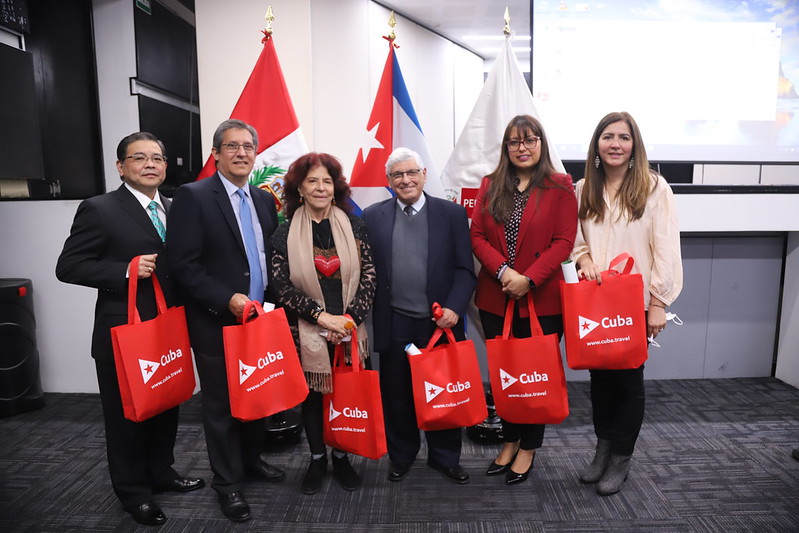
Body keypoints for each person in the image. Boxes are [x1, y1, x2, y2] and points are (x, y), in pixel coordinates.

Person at [56, 132, 204, 526]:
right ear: (120, 167)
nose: (151, 164)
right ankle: (133, 492)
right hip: (123, 334)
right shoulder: (99, 208)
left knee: (165, 405)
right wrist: (124, 270)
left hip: (169, 329)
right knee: (126, 419)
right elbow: (68, 266)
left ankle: (161, 471)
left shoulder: (177, 207)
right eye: (140, 158)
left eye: (158, 157)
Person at [167, 119, 284, 522]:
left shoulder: (264, 200)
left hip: (260, 320)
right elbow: (183, 264)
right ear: (216, 153)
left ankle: (251, 461)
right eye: (231, 146)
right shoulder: (194, 196)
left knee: (258, 397)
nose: (241, 153)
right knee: (220, 407)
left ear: (256, 153)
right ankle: (228, 485)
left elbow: (269, 261)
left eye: (248, 146)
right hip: (217, 320)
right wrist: (227, 299)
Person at [572, 111, 682, 495]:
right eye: (607, 136)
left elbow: (666, 250)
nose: (615, 144)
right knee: (599, 380)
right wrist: (584, 260)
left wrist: (658, 303)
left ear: (634, 145)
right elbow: (576, 242)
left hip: (635, 303)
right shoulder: (583, 187)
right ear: (597, 145)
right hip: (596, 302)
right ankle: (602, 450)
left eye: (623, 137)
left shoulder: (655, 189)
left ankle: (621, 458)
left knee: (628, 382)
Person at [470, 115, 577, 486]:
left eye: (530, 140)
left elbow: (564, 241)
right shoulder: (490, 185)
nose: (522, 148)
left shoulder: (561, 187)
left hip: (542, 300)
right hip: (496, 298)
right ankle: (509, 440)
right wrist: (504, 272)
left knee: (535, 376)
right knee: (506, 374)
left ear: (541, 144)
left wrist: (528, 278)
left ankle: (529, 446)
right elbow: (478, 235)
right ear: (506, 148)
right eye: (515, 142)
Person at [362, 147, 476, 485]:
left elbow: (465, 271)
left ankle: (445, 457)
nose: (405, 179)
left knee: (444, 392)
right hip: (394, 320)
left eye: (411, 172)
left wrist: (455, 308)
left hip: (439, 324)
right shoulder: (372, 217)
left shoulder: (452, 215)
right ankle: (403, 455)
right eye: (397, 175)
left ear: (424, 174)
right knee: (397, 396)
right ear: (388, 181)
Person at [270, 152, 376, 494]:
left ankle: (342, 456)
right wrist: (321, 317)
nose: (320, 187)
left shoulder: (354, 224)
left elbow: (370, 275)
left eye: (327, 181)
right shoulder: (283, 230)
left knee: (345, 395)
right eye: (312, 181)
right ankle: (317, 458)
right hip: (306, 329)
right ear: (300, 187)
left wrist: (347, 320)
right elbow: (280, 285)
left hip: (349, 328)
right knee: (314, 398)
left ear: (336, 188)